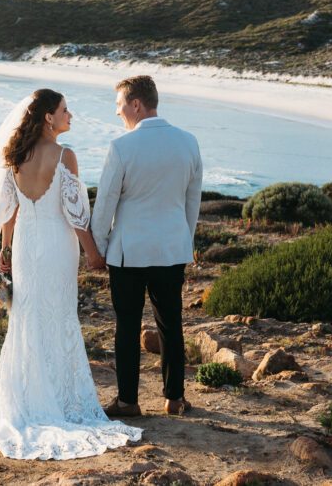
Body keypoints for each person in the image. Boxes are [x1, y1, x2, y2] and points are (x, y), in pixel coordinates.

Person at [0, 88, 142, 460]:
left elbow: (8, 211)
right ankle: (60, 400)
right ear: (48, 117)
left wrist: (6, 249)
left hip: (27, 247)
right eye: (65, 109)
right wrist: (94, 255)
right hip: (56, 246)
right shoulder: (65, 156)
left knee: (27, 319)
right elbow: (77, 216)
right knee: (58, 315)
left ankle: (27, 400)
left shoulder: (15, 156)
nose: (71, 115)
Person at [90, 76, 203, 417]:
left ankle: (128, 401)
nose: (118, 112)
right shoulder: (189, 142)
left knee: (127, 326)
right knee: (171, 323)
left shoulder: (122, 147)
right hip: (171, 249)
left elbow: (105, 204)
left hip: (128, 253)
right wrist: (184, 239)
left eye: (120, 105)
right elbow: (192, 202)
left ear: (136, 104)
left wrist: (98, 248)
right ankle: (174, 398)